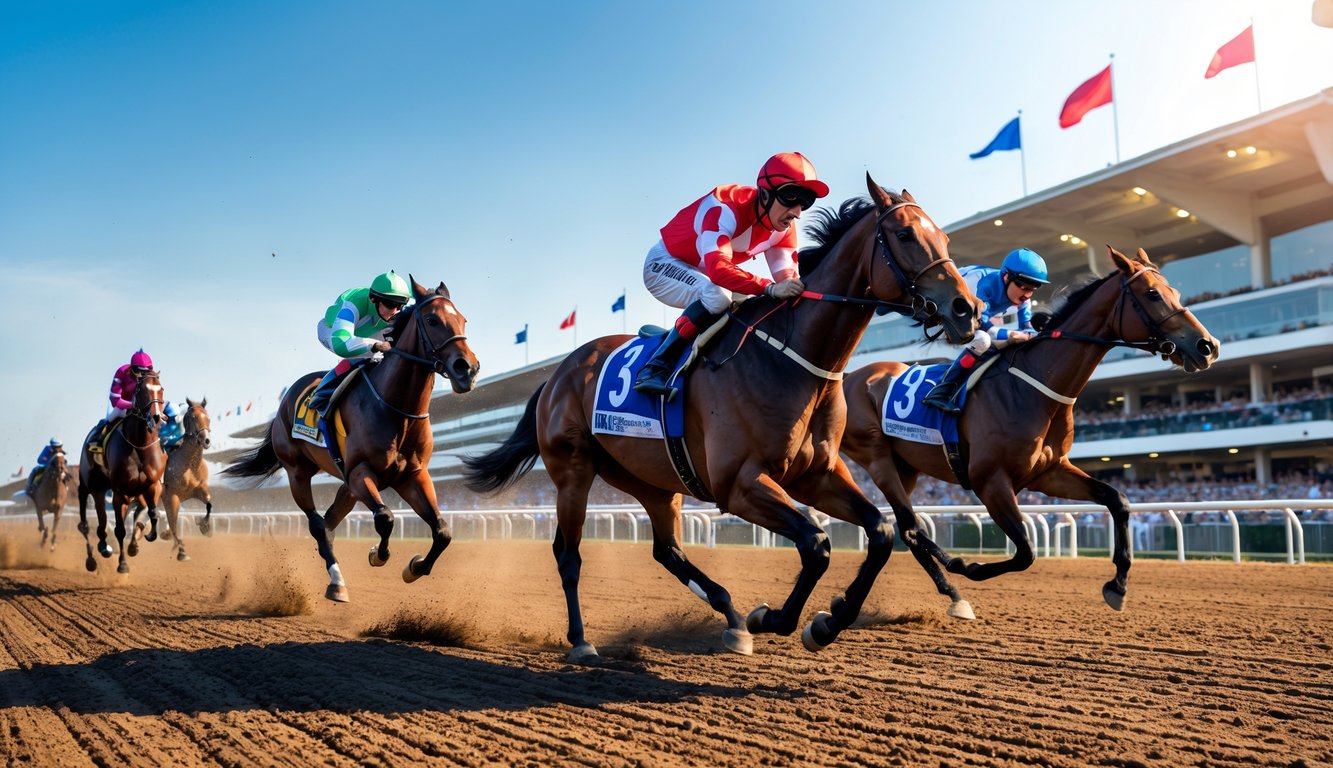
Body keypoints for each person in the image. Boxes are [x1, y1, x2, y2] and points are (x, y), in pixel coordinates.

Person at [633, 152, 830, 399]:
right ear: (765, 194)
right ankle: (655, 367)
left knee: (754, 305)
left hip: (708, 274)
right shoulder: (724, 206)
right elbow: (719, 270)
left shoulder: (784, 228)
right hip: (664, 264)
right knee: (718, 296)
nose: (797, 212)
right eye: (791, 197)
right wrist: (768, 287)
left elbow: (788, 284)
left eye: (806, 201)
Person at [922, 248, 1049, 413]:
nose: (1028, 295)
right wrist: (1012, 334)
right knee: (983, 339)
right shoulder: (985, 284)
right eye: (1024, 287)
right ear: (1006, 277)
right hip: (941, 303)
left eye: (1033, 289)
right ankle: (941, 391)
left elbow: (1026, 328)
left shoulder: (1023, 299)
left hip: (970, 312)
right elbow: (984, 326)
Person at [309, 271, 412, 441]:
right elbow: (341, 343)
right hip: (334, 332)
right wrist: (375, 346)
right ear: (373, 299)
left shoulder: (399, 303)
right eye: (390, 305)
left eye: (400, 306)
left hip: (375, 330)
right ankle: (323, 392)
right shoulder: (354, 303)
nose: (395, 311)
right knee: (367, 356)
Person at [91, 349, 157, 449]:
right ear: (132, 369)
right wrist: (132, 405)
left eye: (144, 372)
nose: (141, 375)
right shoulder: (121, 372)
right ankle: (97, 437)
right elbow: (115, 399)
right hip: (122, 405)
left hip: (141, 407)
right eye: (138, 371)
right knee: (111, 418)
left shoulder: (151, 376)